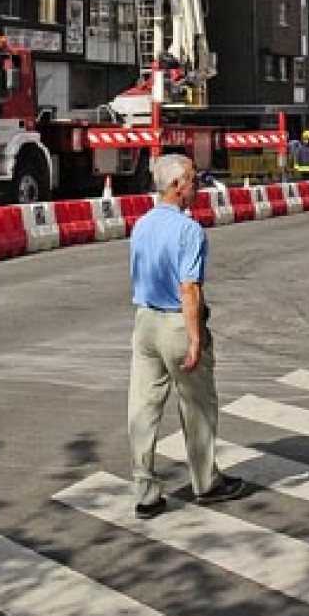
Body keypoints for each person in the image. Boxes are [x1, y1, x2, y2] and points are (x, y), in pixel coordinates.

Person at [127, 152, 245, 519]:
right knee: (196, 405)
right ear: (178, 186)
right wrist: (195, 340)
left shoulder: (141, 225)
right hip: (177, 324)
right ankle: (206, 482)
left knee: (143, 408)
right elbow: (189, 288)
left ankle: (145, 490)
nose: (196, 186)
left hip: (144, 321)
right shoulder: (189, 230)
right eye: (192, 180)